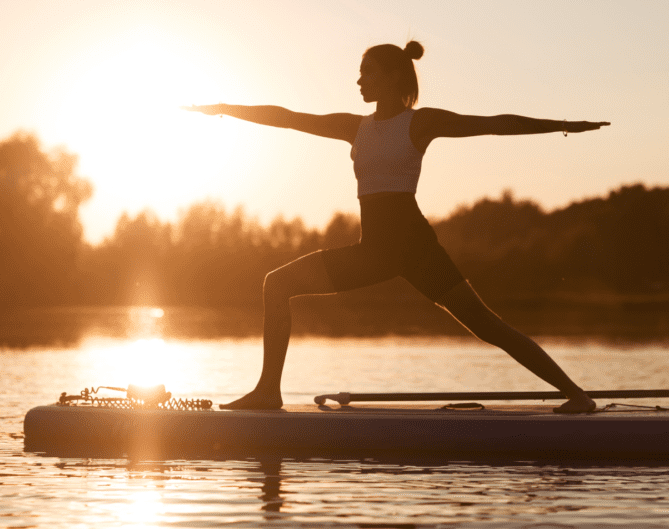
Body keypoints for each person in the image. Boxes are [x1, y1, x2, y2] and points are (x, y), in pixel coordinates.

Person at [185, 40, 610, 413]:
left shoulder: (420, 122)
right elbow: (287, 116)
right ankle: (267, 392)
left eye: (365, 73)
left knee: (488, 326)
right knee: (277, 284)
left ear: (390, 75)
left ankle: (577, 395)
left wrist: (563, 126)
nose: (358, 82)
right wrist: (225, 109)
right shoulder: (354, 127)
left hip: (414, 248)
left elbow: (495, 124)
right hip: (373, 252)